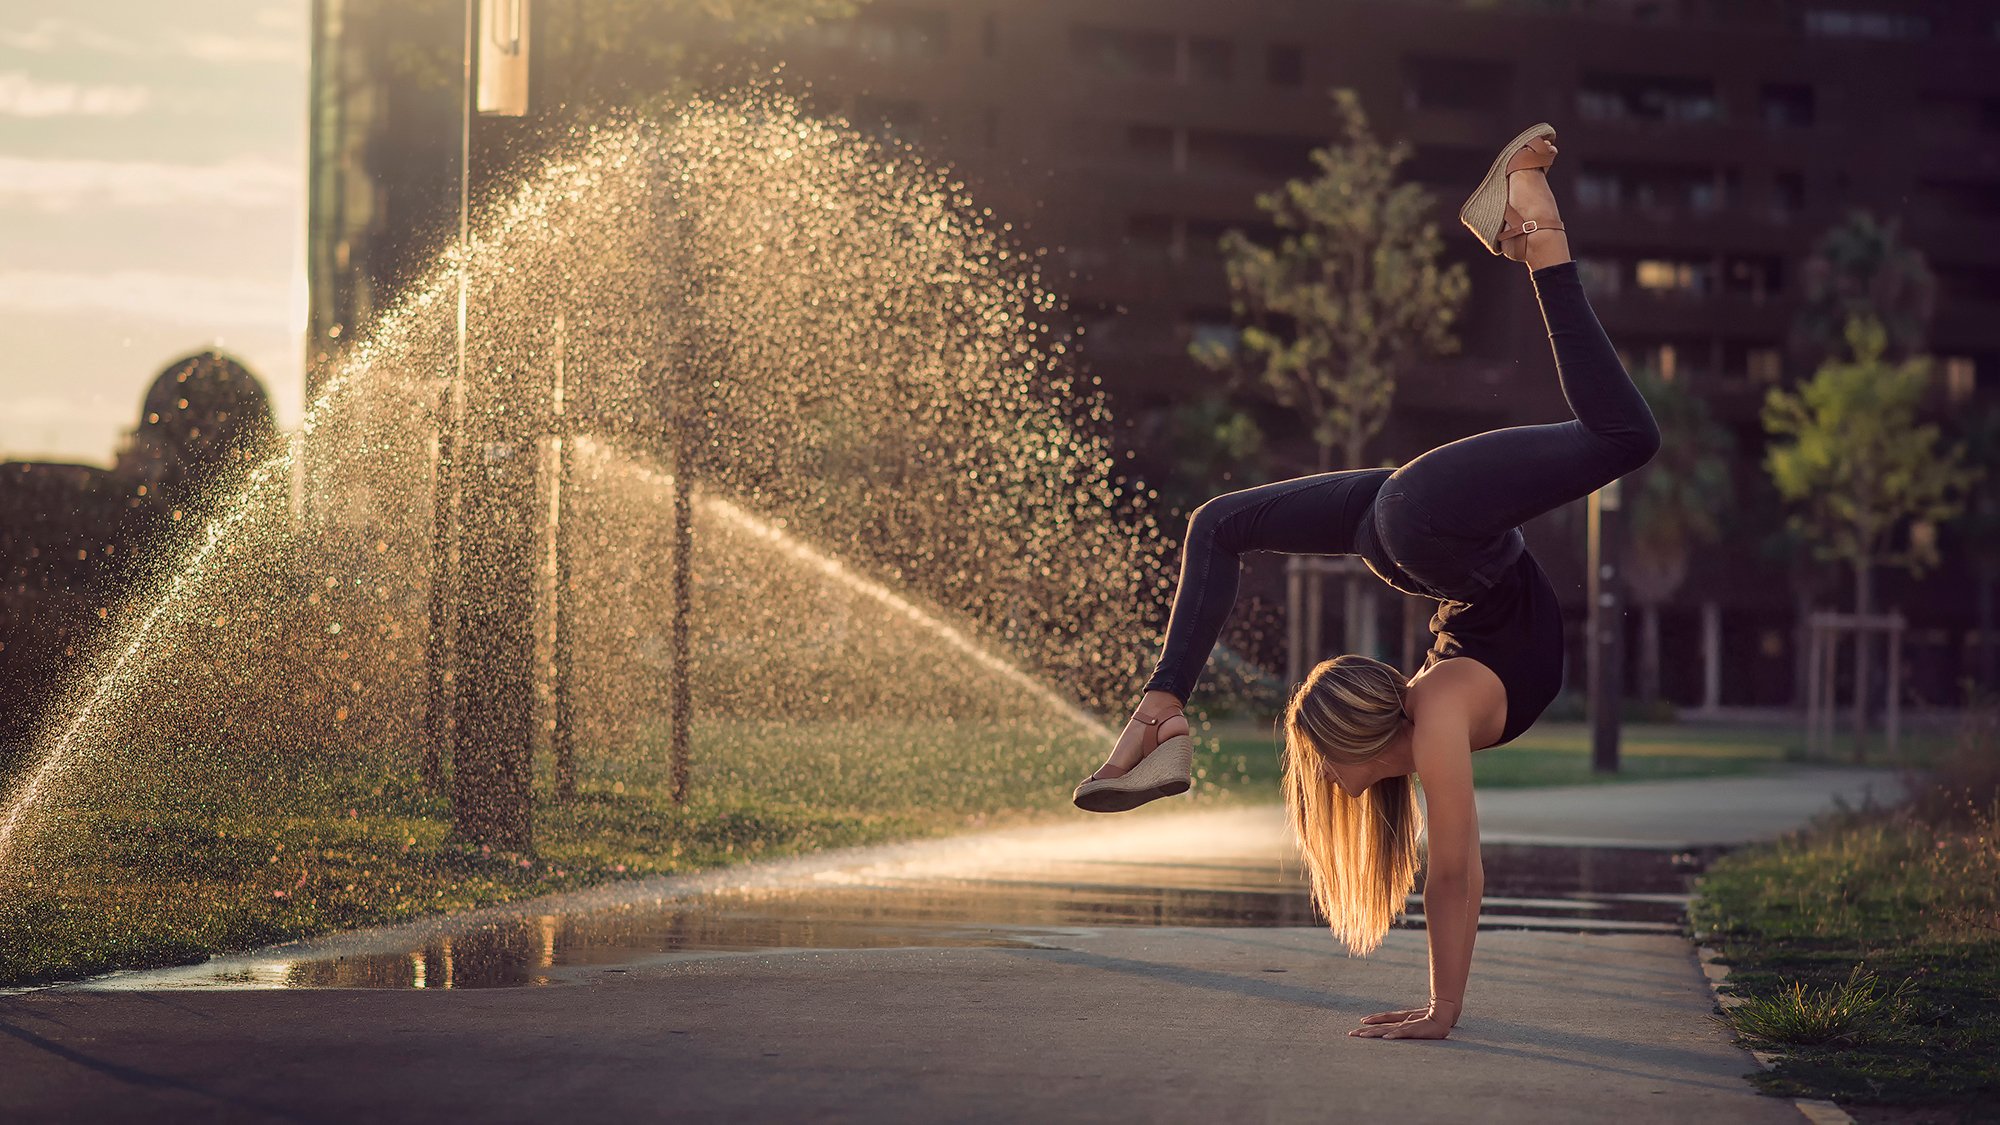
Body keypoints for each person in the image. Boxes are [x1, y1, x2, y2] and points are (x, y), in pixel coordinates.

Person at [1071, 123, 1661, 1041]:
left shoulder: (1436, 713)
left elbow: (1457, 868)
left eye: (1319, 764)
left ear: (1357, 732)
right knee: (1216, 524)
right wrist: (1443, 1005)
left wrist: (1445, 1007)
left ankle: (1536, 231)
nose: (1333, 786)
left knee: (1626, 437)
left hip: (1429, 526)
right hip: (1402, 526)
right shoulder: (1433, 714)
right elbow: (1454, 864)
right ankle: (1161, 708)